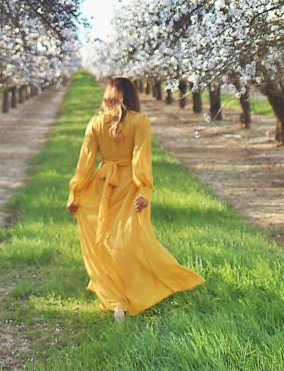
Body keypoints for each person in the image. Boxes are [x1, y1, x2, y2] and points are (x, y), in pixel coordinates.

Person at [66, 76, 204, 319]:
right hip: (129, 184)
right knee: (132, 238)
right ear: (133, 95)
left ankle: (117, 296)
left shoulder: (95, 123)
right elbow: (141, 156)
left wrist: (75, 192)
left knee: (107, 237)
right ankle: (128, 293)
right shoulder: (140, 122)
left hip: (104, 184)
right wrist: (144, 190)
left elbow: (85, 162)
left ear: (107, 96)